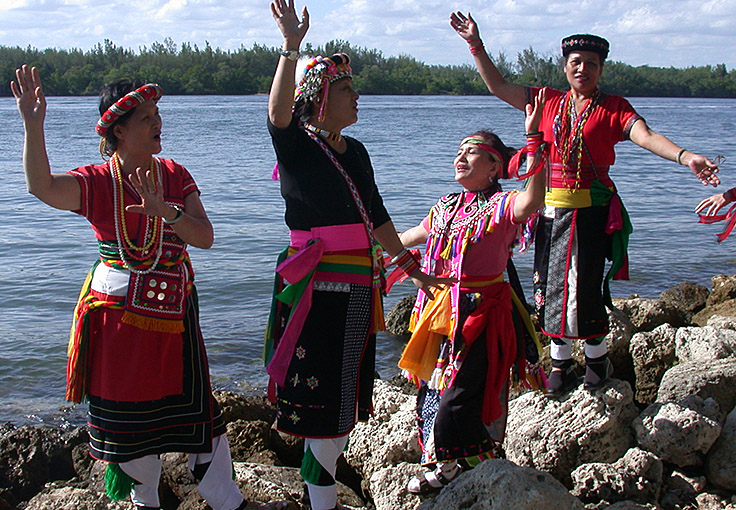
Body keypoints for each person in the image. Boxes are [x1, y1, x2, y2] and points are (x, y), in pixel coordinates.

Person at [11, 65, 286, 510]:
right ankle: (145, 502)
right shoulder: (98, 182)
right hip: (120, 324)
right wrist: (32, 123)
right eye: (146, 119)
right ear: (118, 131)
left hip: (175, 318)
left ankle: (229, 503)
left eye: (157, 114)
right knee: (131, 423)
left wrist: (167, 213)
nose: (158, 124)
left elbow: (206, 236)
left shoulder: (174, 174)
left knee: (202, 413)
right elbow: (40, 187)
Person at [449, 11, 721, 397]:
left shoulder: (613, 107)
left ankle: (597, 360)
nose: (583, 69)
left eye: (591, 64)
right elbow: (498, 85)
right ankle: (559, 363)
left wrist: (685, 156)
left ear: (601, 70)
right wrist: (475, 44)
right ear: (565, 68)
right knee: (547, 287)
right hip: (548, 212)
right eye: (576, 62)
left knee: (585, 289)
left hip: (590, 214)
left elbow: (646, 135)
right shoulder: (544, 101)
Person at [264, 1, 452, 509]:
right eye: (347, 88)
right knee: (323, 405)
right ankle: (321, 498)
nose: (357, 95)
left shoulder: (358, 152)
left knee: (345, 402)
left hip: (355, 291)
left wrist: (414, 271)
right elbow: (278, 114)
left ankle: (317, 494)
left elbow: (380, 219)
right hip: (317, 290)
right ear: (320, 97)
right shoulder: (299, 146)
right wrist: (291, 47)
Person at [397, 90, 547, 494]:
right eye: (459, 151)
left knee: (461, 394)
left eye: (473, 152)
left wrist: (534, 142)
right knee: (432, 389)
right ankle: (445, 463)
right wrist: (372, 246)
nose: (460, 157)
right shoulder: (446, 206)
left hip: (481, 314)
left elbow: (535, 198)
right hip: (438, 312)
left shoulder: (502, 205)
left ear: (496, 167)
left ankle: (466, 462)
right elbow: (406, 239)